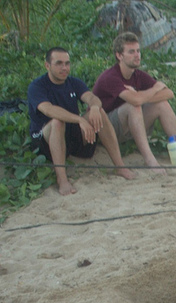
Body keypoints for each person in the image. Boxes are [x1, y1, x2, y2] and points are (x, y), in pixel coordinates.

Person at [27, 47, 136, 196]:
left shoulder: (73, 82)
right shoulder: (37, 86)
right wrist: (79, 119)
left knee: (100, 113)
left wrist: (96, 107)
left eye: (67, 63)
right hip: (46, 137)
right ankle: (62, 179)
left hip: (71, 133)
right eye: (59, 63)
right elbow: (48, 109)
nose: (64, 68)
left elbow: (91, 98)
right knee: (57, 122)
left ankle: (120, 166)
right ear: (47, 65)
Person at [93, 31, 176, 173]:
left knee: (162, 104)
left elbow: (169, 93)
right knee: (134, 106)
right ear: (119, 55)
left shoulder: (137, 75)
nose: (137, 55)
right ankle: (150, 159)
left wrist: (140, 95)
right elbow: (136, 100)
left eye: (138, 51)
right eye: (131, 52)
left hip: (130, 125)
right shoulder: (111, 77)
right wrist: (153, 89)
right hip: (107, 129)